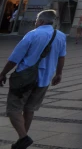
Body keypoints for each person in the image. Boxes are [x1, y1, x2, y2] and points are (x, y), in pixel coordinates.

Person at [0, 10, 66, 149]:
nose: (35, 23)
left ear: (41, 21)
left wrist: (3, 73)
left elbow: (14, 58)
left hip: (25, 78)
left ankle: (23, 137)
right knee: (29, 109)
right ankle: (22, 139)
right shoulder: (60, 36)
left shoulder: (33, 34)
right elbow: (61, 56)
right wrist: (59, 73)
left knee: (14, 108)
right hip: (45, 78)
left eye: (36, 20)